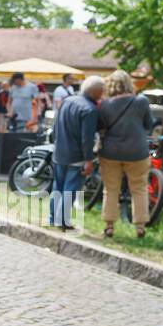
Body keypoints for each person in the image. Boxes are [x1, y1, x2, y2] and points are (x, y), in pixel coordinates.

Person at [97, 69, 155, 238]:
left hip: (110, 153)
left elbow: (101, 128)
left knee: (111, 189)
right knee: (139, 189)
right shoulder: (141, 101)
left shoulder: (105, 105)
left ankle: (109, 226)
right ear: (129, 83)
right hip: (137, 152)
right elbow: (148, 125)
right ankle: (140, 226)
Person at [49, 75, 103, 230]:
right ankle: (63, 221)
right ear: (97, 93)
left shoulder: (68, 101)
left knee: (57, 186)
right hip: (76, 156)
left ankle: (53, 218)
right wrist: (88, 160)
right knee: (70, 189)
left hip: (60, 152)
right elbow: (87, 138)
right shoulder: (90, 109)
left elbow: (55, 126)